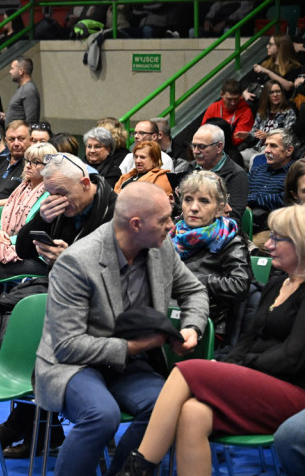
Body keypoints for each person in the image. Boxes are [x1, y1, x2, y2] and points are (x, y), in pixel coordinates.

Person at [34, 183, 209, 476]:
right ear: (136, 224)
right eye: (164, 219)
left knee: (164, 406)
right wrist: (140, 345)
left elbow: (194, 291)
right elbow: (68, 346)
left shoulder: (161, 248)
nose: (172, 226)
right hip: (73, 365)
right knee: (101, 415)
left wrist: (192, 327)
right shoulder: (77, 262)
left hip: (128, 365)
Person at [119, 203, 305, 476]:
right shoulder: (278, 283)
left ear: (300, 243)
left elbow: (294, 356)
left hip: (293, 392)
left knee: (188, 369)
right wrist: (231, 364)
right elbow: (248, 338)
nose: (269, 245)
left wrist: (240, 368)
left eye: (278, 238)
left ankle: (140, 466)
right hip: (260, 383)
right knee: (193, 413)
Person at [170, 170, 250, 344]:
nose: (194, 207)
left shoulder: (229, 240)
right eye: (188, 199)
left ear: (219, 209)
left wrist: (193, 281)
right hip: (167, 311)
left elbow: (239, 285)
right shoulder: (171, 233)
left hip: (208, 321)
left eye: (204, 201)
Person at [0, 143, 58, 289]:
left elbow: (36, 233)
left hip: (34, 257)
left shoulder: (51, 196)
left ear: (49, 167)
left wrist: (6, 240)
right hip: (7, 247)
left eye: (36, 162)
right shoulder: (21, 189)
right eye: (27, 161)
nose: (28, 166)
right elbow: (2, 219)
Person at [190, 124, 249, 222]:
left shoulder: (236, 174)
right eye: (194, 146)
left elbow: (234, 217)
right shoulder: (189, 168)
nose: (195, 151)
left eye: (201, 147)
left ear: (219, 147)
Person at [239, 80, 297, 166]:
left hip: (275, 148)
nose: (275, 95)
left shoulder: (288, 112)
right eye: (271, 92)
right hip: (258, 147)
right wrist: (247, 135)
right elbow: (255, 132)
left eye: (278, 91)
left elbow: (287, 136)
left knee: (255, 160)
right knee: (239, 156)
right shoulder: (262, 111)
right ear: (267, 95)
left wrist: (268, 136)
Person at [202, 79, 254, 147]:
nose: (233, 103)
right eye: (229, 99)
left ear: (240, 96)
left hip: (230, 146)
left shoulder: (245, 111)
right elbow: (203, 129)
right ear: (221, 94)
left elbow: (238, 138)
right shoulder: (213, 108)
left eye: (236, 99)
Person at [4, 57, 40, 124]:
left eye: (12, 68)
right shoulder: (22, 88)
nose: (10, 71)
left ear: (21, 71)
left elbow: (31, 119)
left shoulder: (29, 90)